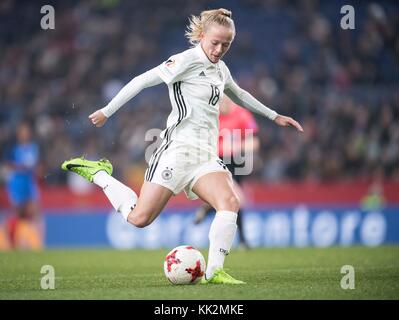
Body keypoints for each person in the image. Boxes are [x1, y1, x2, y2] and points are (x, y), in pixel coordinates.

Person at [62, 8, 303, 284]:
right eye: (215, 42)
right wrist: (107, 110)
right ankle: (100, 174)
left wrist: (275, 116)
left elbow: (241, 95)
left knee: (230, 201)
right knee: (140, 219)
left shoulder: (220, 69)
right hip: (176, 151)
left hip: (205, 156)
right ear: (202, 36)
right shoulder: (184, 61)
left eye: (226, 44)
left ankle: (214, 272)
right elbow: (142, 81)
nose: (219, 49)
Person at [193, 95, 259, 250]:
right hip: (216, 161)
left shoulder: (242, 115)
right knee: (236, 198)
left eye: (225, 100)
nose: (222, 104)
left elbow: (254, 143)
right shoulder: (211, 116)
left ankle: (208, 206)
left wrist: (237, 147)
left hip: (237, 163)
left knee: (232, 201)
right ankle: (241, 241)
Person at [4, 121, 43, 250]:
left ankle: (38, 244)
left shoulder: (34, 148)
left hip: (29, 183)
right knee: (16, 214)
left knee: (35, 211)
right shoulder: (13, 149)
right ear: (19, 135)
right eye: (22, 133)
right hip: (17, 184)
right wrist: (21, 167)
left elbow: (38, 165)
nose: (25, 135)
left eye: (26, 133)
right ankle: (11, 242)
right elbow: (7, 165)